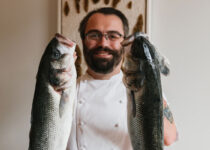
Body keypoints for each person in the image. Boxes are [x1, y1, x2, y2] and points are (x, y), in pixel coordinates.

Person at [55, 7, 178, 150]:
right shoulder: (65, 92)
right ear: (83, 40)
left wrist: (149, 70)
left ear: (124, 41)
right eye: (94, 35)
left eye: (113, 36)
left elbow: (169, 137)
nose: (103, 43)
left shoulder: (141, 89)